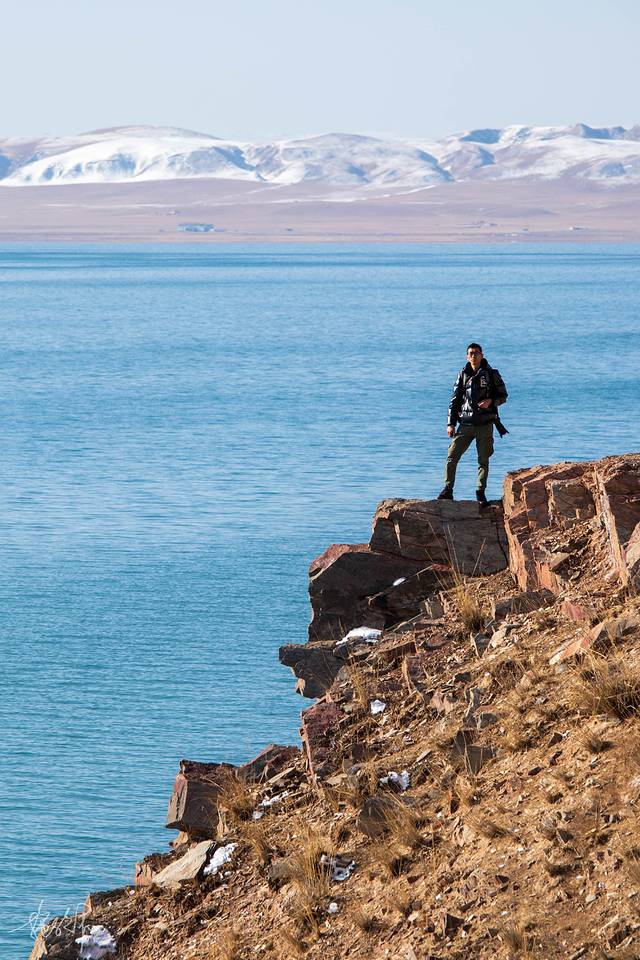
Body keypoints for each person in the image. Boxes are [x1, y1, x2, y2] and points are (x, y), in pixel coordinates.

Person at [437, 343, 508, 505]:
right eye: (470, 353)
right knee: (452, 456)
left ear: (482, 355)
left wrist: (491, 401)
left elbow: (503, 396)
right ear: (467, 357)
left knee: (483, 459)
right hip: (466, 424)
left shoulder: (491, 374)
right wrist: (450, 423)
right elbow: (454, 401)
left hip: (485, 423)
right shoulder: (463, 374)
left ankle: (480, 492)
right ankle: (448, 489)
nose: (474, 356)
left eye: (476, 353)